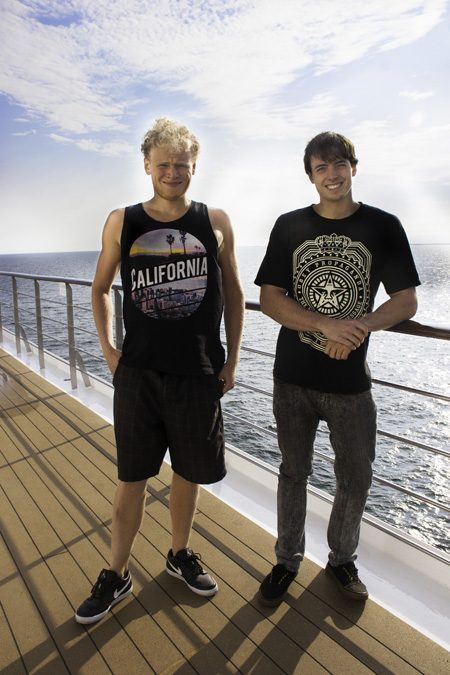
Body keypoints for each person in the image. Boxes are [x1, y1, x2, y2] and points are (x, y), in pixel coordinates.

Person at [75, 117, 244, 624]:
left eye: (182, 164)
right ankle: (117, 572)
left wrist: (232, 358)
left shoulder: (214, 221)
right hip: (140, 373)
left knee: (188, 474)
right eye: (163, 163)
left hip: (197, 372)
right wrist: (107, 348)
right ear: (147, 165)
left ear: (195, 166)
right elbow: (100, 287)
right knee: (132, 478)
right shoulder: (122, 220)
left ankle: (178, 554)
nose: (173, 172)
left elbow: (233, 294)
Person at [254, 131, 420, 606]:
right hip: (292, 380)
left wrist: (358, 327)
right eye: (321, 166)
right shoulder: (289, 226)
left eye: (339, 163)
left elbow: (406, 300)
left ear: (353, 167)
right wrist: (328, 326)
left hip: (350, 384)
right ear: (310, 174)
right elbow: (270, 298)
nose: (332, 173)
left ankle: (341, 559)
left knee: (356, 476)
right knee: (293, 471)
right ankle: (287, 560)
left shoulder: (383, 226)